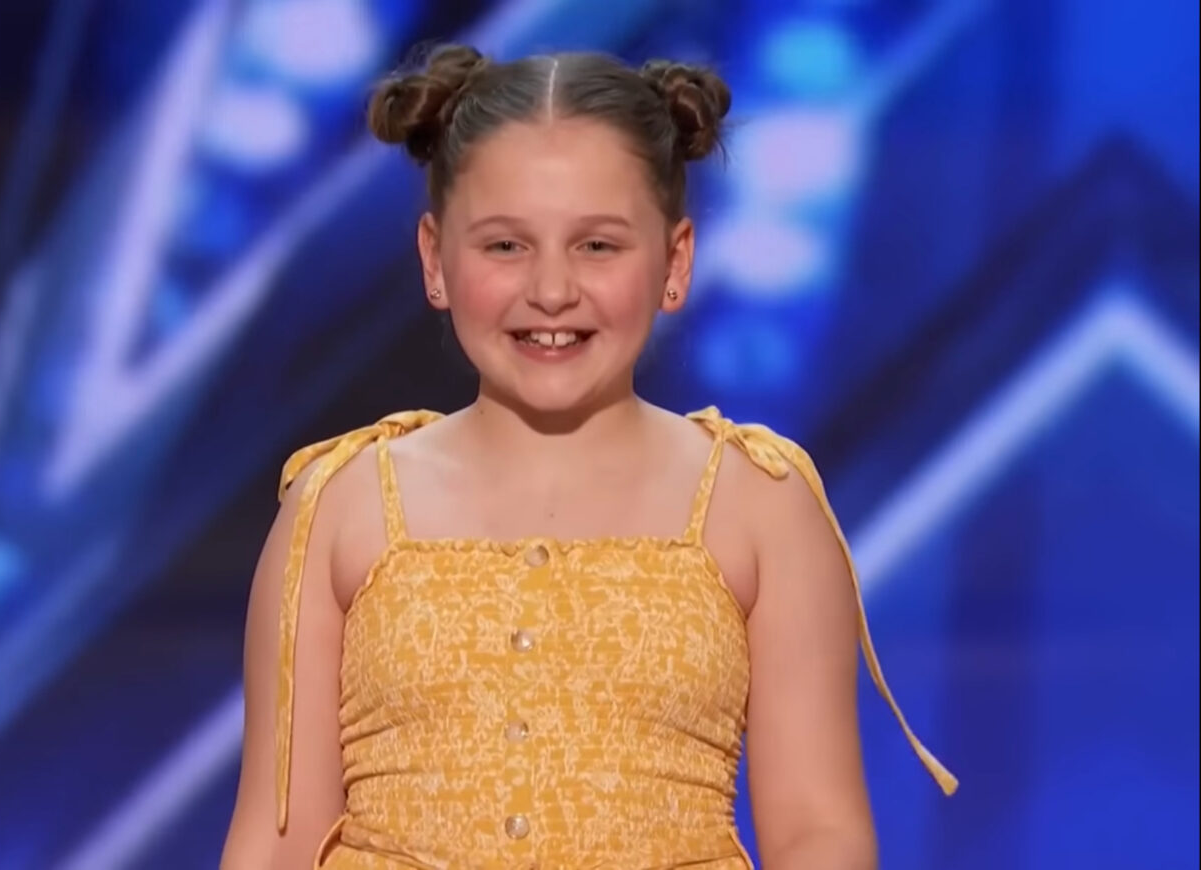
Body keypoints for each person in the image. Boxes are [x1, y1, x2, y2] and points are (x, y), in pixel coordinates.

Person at [220, 44, 956, 870]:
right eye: (505, 246)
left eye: (598, 246)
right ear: (435, 260)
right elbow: (274, 842)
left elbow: (818, 833)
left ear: (676, 261)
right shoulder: (338, 505)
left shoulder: (759, 502)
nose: (551, 291)